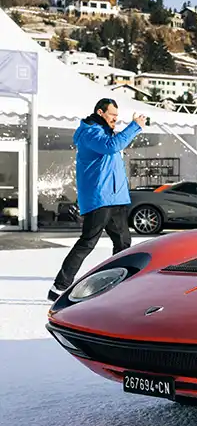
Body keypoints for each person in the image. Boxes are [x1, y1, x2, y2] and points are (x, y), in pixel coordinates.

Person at [49, 98, 146, 301]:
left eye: (117, 117)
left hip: (116, 198)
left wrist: (134, 129)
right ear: (101, 112)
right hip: (99, 198)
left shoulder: (104, 133)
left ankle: (118, 285)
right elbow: (111, 146)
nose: (115, 120)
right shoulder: (90, 133)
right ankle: (59, 287)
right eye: (112, 115)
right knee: (88, 242)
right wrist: (134, 126)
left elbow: (116, 145)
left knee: (123, 243)